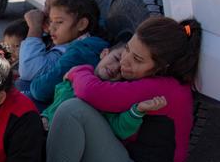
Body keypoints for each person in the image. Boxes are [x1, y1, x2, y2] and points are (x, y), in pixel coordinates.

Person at [32, 17, 201, 162]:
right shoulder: (150, 77)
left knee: (74, 111)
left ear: (162, 68)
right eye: (128, 50)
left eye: (138, 59)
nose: (126, 62)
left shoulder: (166, 87)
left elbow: (91, 92)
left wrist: (78, 72)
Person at [40, 43, 168, 134]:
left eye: (122, 70)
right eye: (116, 58)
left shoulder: (110, 96)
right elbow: (54, 104)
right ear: (104, 53)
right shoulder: (72, 79)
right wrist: (45, 116)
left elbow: (120, 128)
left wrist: (137, 111)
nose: (115, 68)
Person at [22, 0, 109, 104]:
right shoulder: (90, 43)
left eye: (59, 22)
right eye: (51, 21)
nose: (52, 28)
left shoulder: (79, 52)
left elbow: (40, 90)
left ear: (82, 24)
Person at [16, 0, 88, 90]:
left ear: (81, 23)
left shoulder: (75, 48)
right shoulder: (63, 36)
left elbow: (29, 70)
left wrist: (35, 28)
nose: (45, 13)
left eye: (59, 20)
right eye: (46, 6)